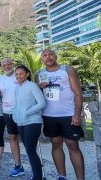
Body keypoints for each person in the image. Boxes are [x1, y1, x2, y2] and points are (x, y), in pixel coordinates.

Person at [36, 49, 85, 180]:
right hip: (49, 116)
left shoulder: (67, 70)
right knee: (56, 145)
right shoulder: (39, 74)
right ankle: (62, 176)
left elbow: (78, 93)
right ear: (42, 59)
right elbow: (37, 97)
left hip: (68, 115)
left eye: (50, 54)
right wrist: (40, 88)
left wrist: (77, 114)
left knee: (73, 146)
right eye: (44, 55)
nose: (48, 57)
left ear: (56, 56)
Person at [13, 66, 46, 180]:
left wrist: (27, 112)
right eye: (16, 74)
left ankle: (38, 178)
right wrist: (15, 115)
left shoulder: (33, 86)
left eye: (21, 73)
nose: (18, 76)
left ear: (27, 74)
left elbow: (41, 103)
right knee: (29, 150)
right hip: (20, 122)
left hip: (32, 121)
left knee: (31, 151)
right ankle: (36, 176)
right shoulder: (17, 87)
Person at [0, 58, 24, 176]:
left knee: (26, 138)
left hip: (22, 111)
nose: (6, 67)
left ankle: (34, 166)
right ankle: (18, 165)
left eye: (8, 65)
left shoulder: (19, 76)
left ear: (13, 65)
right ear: (2, 68)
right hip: (7, 112)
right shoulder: (0, 79)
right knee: (13, 138)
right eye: (4, 65)